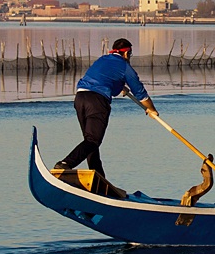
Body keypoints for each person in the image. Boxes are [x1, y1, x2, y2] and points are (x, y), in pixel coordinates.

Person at [54, 38, 157, 177]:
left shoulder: (102, 60)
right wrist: (152, 109)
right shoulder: (125, 66)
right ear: (126, 53)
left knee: (89, 141)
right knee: (92, 140)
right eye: (130, 54)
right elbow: (140, 93)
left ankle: (98, 177)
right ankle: (65, 164)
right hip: (96, 101)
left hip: (80, 98)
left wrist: (119, 87)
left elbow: (105, 80)